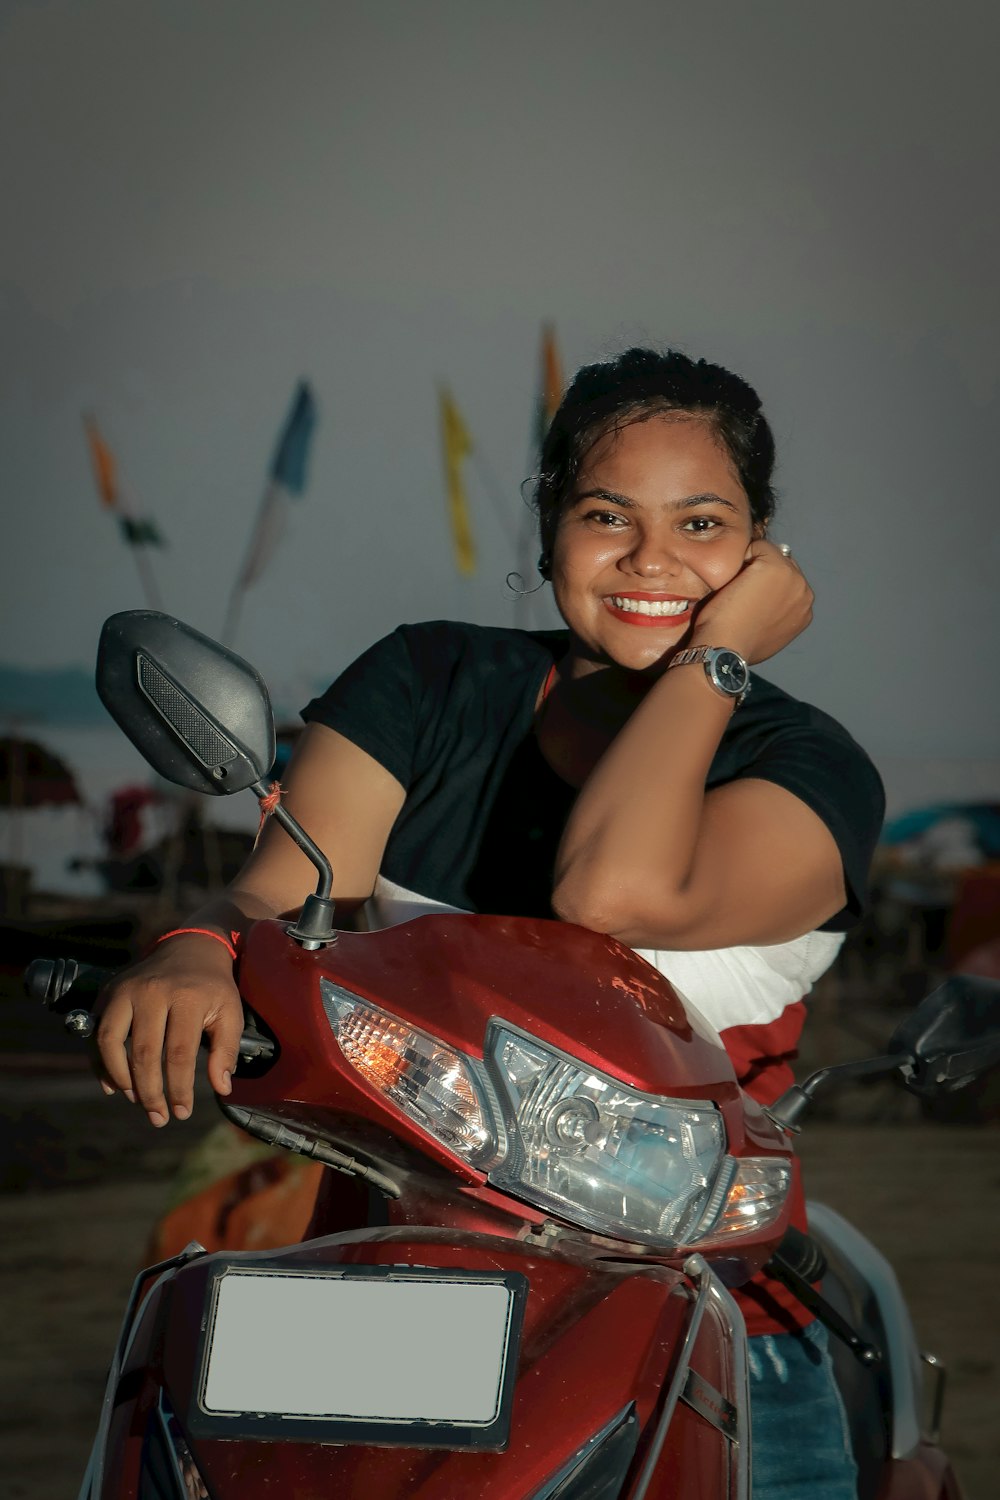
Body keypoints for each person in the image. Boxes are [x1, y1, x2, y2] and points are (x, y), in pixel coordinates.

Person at [94, 346, 884, 1500]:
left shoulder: (809, 768)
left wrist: (716, 658)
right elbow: (274, 891)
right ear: (549, 529)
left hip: (708, 1324)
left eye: (703, 524)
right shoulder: (425, 682)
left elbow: (607, 895)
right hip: (390, 1296)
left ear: (762, 549)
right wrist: (191, 948)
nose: (651, 559)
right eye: (606, 514)